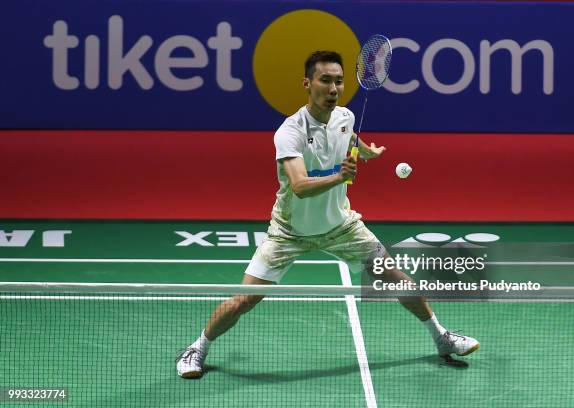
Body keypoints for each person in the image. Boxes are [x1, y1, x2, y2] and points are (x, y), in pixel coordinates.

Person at [176, 50, 479, 378]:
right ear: (308, 83)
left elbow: (348, 135)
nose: (333, 88)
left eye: (338, 81)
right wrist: (340, 176)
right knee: (245, 299)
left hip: (340, 226)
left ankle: (442, 338)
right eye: (325, 80)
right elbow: (300, 186)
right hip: (290, 231)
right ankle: (197, 347)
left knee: (396, 278)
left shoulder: (346, 116)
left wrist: (366, 151)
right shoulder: (290, 132)